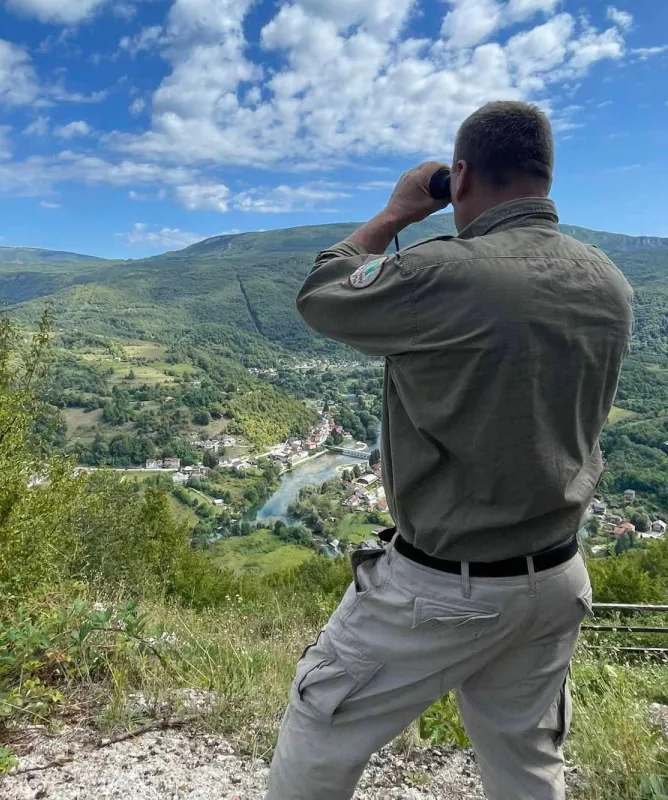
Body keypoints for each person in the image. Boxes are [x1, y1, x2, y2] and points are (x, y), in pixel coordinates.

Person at [266, 101, 633, 800]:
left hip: (444, 585)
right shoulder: (607, 280)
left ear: (459, 177)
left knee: (321, 724)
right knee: (525, 757)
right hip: (557, 576)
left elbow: (321, 294)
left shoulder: (445, 272)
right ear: (546, 173)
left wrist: (396, 213)